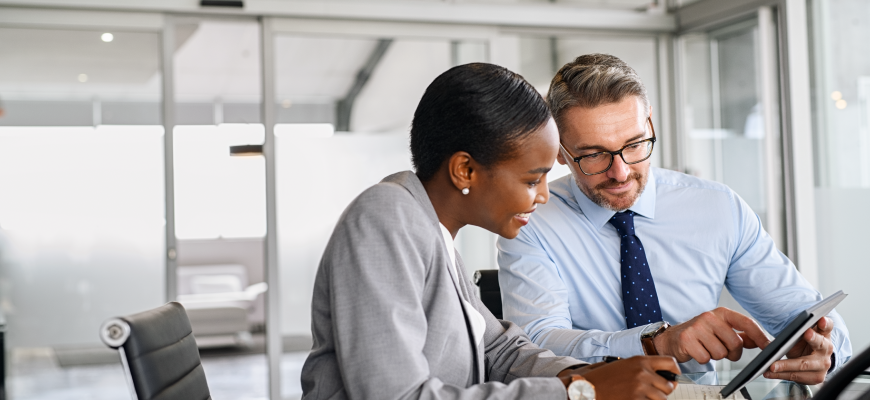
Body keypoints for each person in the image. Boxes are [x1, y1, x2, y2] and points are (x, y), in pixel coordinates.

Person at [300, 63, 680, 400]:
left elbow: (500, 350)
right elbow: (397, 395)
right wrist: (581, 392)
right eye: (533, 179)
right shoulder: (387, 217)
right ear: (464, 170)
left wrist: (588, 375)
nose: (544, 195)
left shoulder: (433, 232)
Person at [497, 54, 852, 384]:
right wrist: (656, 344)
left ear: (649, 122)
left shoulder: (717, 207)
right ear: (560, 150)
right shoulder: (531, 220)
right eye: (593, 155)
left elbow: (806, 314)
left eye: (635, 145)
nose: (620, 173)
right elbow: (536, 346)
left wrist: (823, 349)